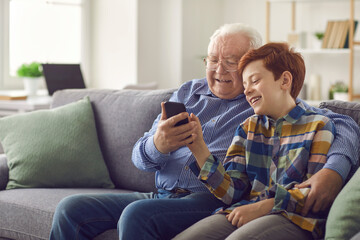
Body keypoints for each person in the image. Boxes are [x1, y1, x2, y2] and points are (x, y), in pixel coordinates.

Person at [49, 23, 360, 240]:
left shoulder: (262, 105)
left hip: (205, 199)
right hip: (161, 192)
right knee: (71, 209)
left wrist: (334, 169)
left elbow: (339, 121)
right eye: (212, 60)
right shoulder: (190, 94)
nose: (219, 70)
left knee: (137, 215)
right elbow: (139, 157)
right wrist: (157, 145)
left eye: (231, 63)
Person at [174, 42, 335, 240]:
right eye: (245, 85)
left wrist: (262, 207)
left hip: (294, 218)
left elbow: (314, 194)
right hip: (244, 211)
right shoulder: (247, 128)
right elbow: (231, 193)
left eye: (255, 81)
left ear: (284, 80)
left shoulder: (319, 126)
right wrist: (198, 147)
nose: (247, 91)